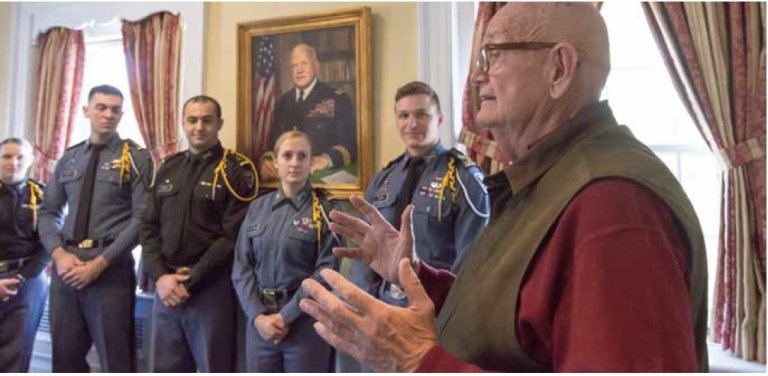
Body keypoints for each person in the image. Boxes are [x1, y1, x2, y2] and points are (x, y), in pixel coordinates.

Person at [299, 2, 708, 372]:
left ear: (559, 69)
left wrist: (419, 360)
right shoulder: (550, 176)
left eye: (492, 54)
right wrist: (416, 275)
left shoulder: (616, 207)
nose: (476, 76)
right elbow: (519, 318)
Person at [38, 84, 153, 372]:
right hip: (67, 267)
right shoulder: (71, 157)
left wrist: (100, 263)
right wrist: (59, 255)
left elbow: (142, 219)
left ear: (122, 114)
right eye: (101, 108)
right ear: (86, 111)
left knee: (116, 360)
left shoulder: (136, 158)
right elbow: (49, 211)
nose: (108, 115)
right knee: (65, 360)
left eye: (115, 110)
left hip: (110, 269)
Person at [140, 95, 257, 372]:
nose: (199, 127)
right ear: (183, 123)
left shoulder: (233, 170)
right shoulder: (169, 167)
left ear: (219, 124)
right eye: (192, 120)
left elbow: (232, 237)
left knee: (213, 367)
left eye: (207, 120)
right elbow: (148, 227)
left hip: (210, 291)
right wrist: (161, 277)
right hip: (166, 289)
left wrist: (190, 279)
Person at [349, 81, 488, 310]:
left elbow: (470, 262)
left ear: (439, 120)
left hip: (434, 308)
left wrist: (446, 312)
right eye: (403, 115)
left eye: (421, 115)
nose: (412, 124)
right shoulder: (384, 179)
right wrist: (363, 305)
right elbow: (365, 251)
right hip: (383, 306)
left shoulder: (463, 178)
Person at [232, 130, 342, 372]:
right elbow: (241, 267)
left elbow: (326, 271)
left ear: (312, 163)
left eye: (302, 156)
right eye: (288, 155)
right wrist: (258, 317)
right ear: (276, 163)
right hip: (259, 323)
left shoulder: (325, 210)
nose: (294, 162)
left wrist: (285, 316)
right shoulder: (258, 208)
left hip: (304, 323)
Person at [260, 43, 356, 182]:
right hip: (287, 179)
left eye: (304, 63)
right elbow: (272, 144)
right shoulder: (282, 102)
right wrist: (267, 161)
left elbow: (350, 145)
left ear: (316, 66)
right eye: (294, 66)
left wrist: (327, 159)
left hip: (319, 177)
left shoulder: (337, 98)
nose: (299, 70)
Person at [0, 137, 49, 372]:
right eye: (7, 156)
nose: (13, 162)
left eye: (20, 157)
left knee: (17, 355)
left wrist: (22, 277)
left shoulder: (42, 196)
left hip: (27, 280)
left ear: (31, 160)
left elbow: (49, 243)